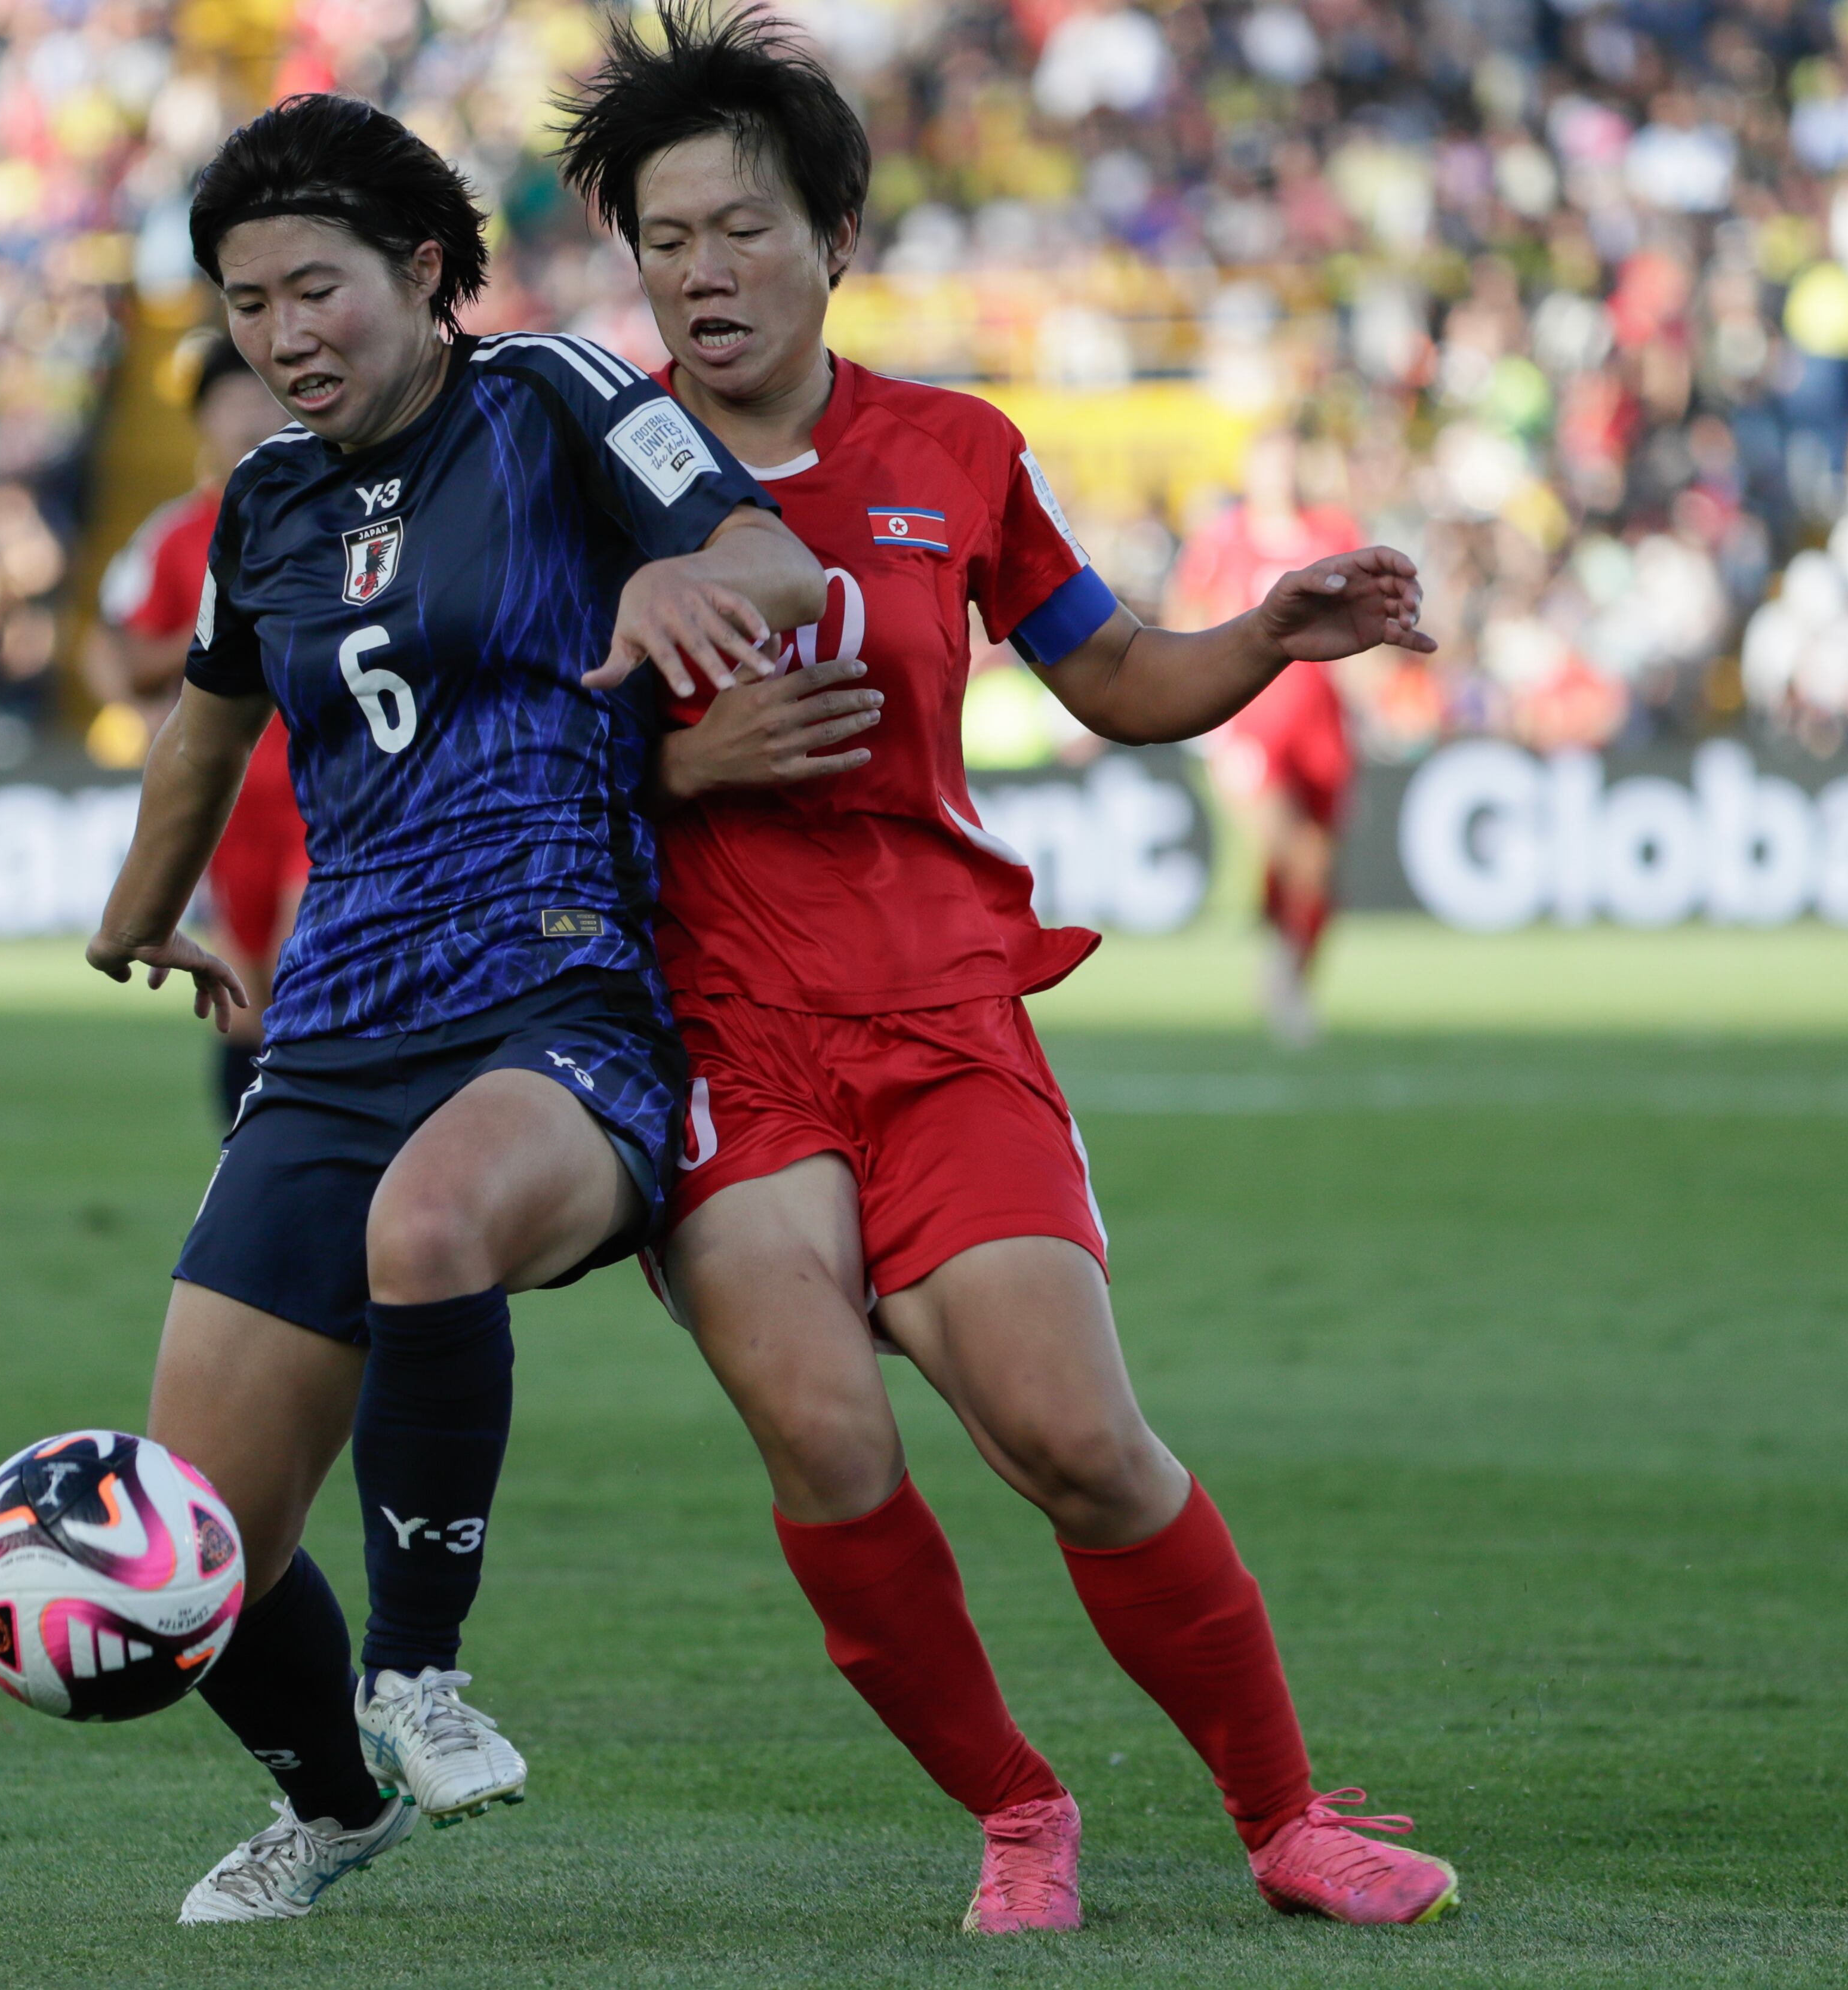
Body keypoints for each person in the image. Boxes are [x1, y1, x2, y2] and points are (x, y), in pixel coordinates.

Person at [555, 4, 1459, 1934]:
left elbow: (1113, 672)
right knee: (823, 1424)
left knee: (1070, 1437)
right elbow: (485, 749)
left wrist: (1266, 634)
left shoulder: (955, 451)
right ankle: (1019, 1811)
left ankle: (1289, 1817)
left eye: (738, 227)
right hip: (712, 1029)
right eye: (664, 238)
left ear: (833, 241)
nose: (699, 272)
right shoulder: (569, 462)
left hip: (941, 1009)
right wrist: (664, 759)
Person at [81, 93, 823, 1923]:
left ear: (420, 274)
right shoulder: (260, 501)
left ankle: (418, 1668)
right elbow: (205, 723)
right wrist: (134, 913)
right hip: (332, 1026)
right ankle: (335, 1796)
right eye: (246, 306)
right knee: (193, 1543)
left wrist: (676, 576)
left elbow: (774, 562)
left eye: (310, 290)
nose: (279, 339)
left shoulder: (555, 394)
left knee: (430, 1228)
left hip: (556, 989)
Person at [91, 333, 307, 1125]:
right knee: (246, 1009)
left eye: (262, 396)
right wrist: (178, 678)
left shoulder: (331, 507)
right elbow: (112, 650)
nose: (249, 413)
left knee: (301, 972)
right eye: (230, 401)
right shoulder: (175, 536)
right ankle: (247, 1168)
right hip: (225, 800)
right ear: (204, 422)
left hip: (323, 791)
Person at [1168, 426, 1367, 1048]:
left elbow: (1360, 629)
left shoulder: (1331, 534)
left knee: (1319, 865)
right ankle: (1282, 976)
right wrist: (1205, 715)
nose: (1278, 474)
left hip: (1321, 723)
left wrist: (1380, 695)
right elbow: (1184, 618)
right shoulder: (1221, 540)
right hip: (1250, 723)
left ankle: (1291, 972)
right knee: (1290, 850)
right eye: (1267, 463)